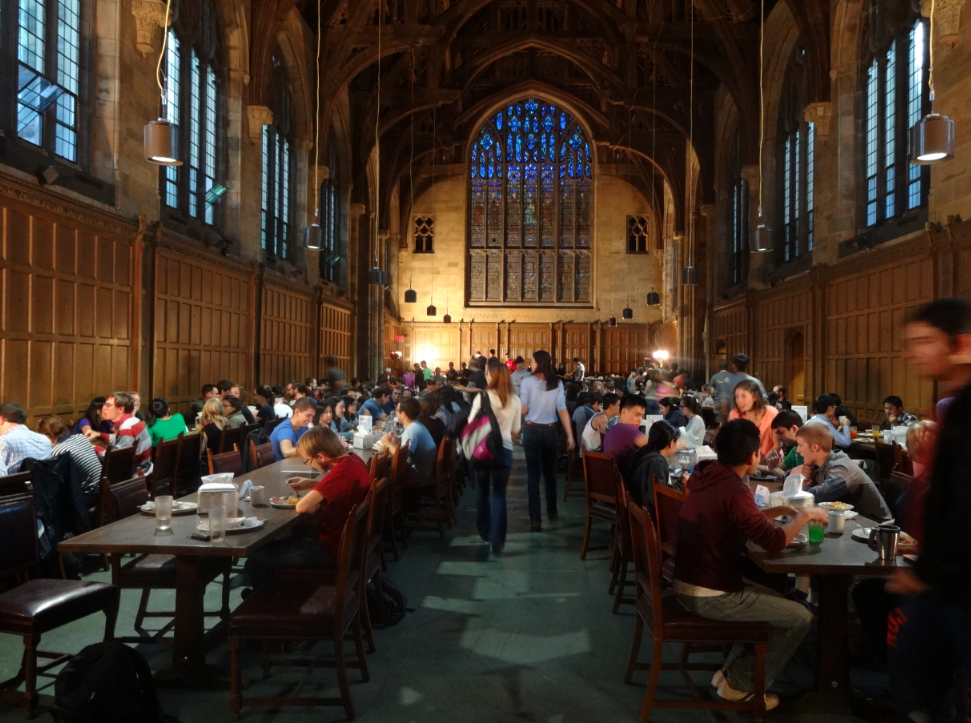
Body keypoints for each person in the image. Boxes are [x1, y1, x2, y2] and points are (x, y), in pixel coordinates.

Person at [676, 419, 827, 710]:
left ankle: (730, 676)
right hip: (711, 593)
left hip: (692, 581)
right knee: (799, 616)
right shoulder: (733, 488)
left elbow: (747, 520)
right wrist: (804, 517)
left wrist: (782, 510)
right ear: (751, 457)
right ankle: (740, 686)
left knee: (775, 601)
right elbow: (773, 542)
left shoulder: (709, 474)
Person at [880, 298, 971, 723]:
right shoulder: (955, 404)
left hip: (960, 584)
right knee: (916, 678)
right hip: (945, 580)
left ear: (959, 343)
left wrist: (924, 571)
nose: (911, 352)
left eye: (923, 341)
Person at [244, 426, 371, 589]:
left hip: (333, 549)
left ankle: (272, 605)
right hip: (349, 543)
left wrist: (315, 491)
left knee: (256, 561)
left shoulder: (341, 472)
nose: (309, 465)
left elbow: (302, 507)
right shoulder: (353, 460)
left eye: (308, 461)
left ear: (321, 456)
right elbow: (342, 488)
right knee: (275, 543)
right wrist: (315, 484)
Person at [520, 350, 575, 532]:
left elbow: (523, 409)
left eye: (532, 362)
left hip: (531, 431)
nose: (531, 365)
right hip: (551, 431)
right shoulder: (557, 383)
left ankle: (535, 520)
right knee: (550, 475)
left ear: (539, 363)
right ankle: (552, 510)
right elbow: (562, 409)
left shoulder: (527, 382)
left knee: (533, 477)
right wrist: (569, 435)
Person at [471, 360, 522, 554]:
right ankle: (497, 539)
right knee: (500, 494)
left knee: (483, 492)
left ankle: (484, 532)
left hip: (483, 451)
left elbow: (471, 423)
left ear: (493, 376)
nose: (485, 376)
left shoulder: (483, 398)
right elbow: (516, 430)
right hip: (505, 450)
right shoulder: (515, 400)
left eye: (487, 373)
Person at [795, 424, 891, 521]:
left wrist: (797, 489)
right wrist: (796, 475)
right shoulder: (817, 464)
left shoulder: (840, 467)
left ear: (815, 447)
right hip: (848, 520)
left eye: (800, 445)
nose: (798, 450)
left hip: (874, 524)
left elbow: (823, 494)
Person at [37, 416, 102, 506]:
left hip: (85, 499)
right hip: (102, 492)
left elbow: (56, 484)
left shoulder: (57, 451)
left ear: (46, 436)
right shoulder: (80, 437)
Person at [87, 392, 153, 476]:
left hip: (136, 475)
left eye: (108, 405)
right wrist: (99, 435)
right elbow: (123, 440)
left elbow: (114, 458)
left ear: (121, 409)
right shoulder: (134, 420)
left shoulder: (126, 428)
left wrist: (94, 448)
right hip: (144, 468)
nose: (104, 408)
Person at [626, 419, 684, 510]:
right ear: (671, 443)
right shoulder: (657, 462)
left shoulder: (643, 451)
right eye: (677, 441)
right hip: (650, 516)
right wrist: (681, 484)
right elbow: (659, 497)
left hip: (639, 509)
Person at [381, 397, 437, 487]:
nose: (395, 412)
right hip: (426, 471)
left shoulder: (411, 431)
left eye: (397, 410)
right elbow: (408, 447)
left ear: (403, 414)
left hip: (418, 476)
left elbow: (400, 458)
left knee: (382, 476)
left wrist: (387, 442)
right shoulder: (417, 425)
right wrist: (397, 440)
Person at [603, 394, 649, 482]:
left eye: (642, 416)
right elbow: (656, 444)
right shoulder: (626, 429)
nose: (640, 420)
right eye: (637, 415)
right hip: (626, 485)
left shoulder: (614, 428)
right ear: (624, 412)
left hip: (612, 483)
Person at [728, 380, 779, 457]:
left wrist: (760, 464)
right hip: (743, 462)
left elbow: (777, 445)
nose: (739, 401)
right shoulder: (734, 414)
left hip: (769, 462)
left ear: (755, 397)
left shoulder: (771, 413)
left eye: (743, 396)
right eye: (736, 397)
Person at [0, 403, 52, 476]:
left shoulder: (4, 441)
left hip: (15, 486)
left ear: (1, 419)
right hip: (44, 486)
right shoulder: (45, 439)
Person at [766, 409, 805, 474]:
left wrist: (773, 468)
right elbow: (779, 468)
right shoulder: (795, 449)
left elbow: (802, 479)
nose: (778, 438)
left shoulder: (809, 449)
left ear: (794, 429)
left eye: (781, 433)